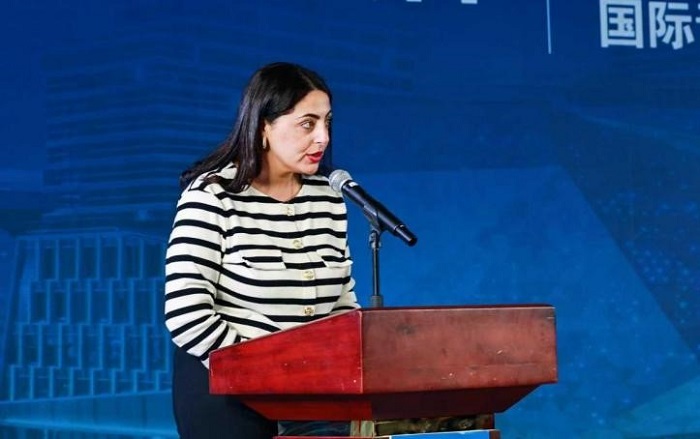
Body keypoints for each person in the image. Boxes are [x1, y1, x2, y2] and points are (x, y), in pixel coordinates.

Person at [164, 62, 360, 438]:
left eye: (327, 122)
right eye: (307, 124)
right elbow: (186, 313)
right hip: (226, 392)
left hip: (312, 392)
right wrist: (263, 373)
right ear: (263, 126)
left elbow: (342, 307)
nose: (323, 138)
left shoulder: (328, 198)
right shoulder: (212, 195)